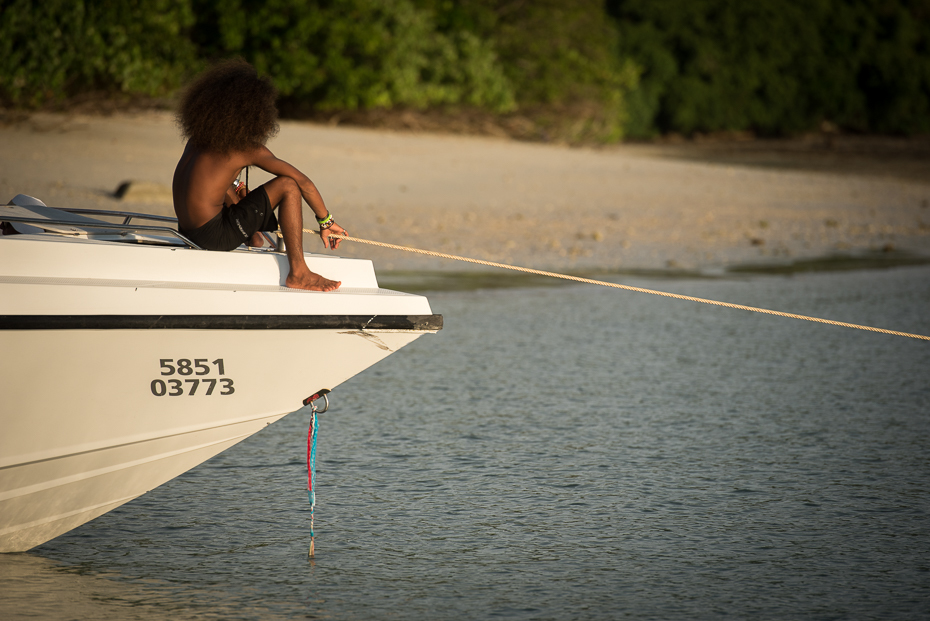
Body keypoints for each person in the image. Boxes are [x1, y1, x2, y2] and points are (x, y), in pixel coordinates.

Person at [172, 59, 345, 291]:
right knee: (288, 186)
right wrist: (326, 221)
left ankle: (251, 236)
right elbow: (304, 183)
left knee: (232, 185)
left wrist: (237, 190)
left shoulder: (197, 140)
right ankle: (299, 273)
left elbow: (209, 184)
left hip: (186, 229)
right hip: (212, 236)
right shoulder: (245, 149)